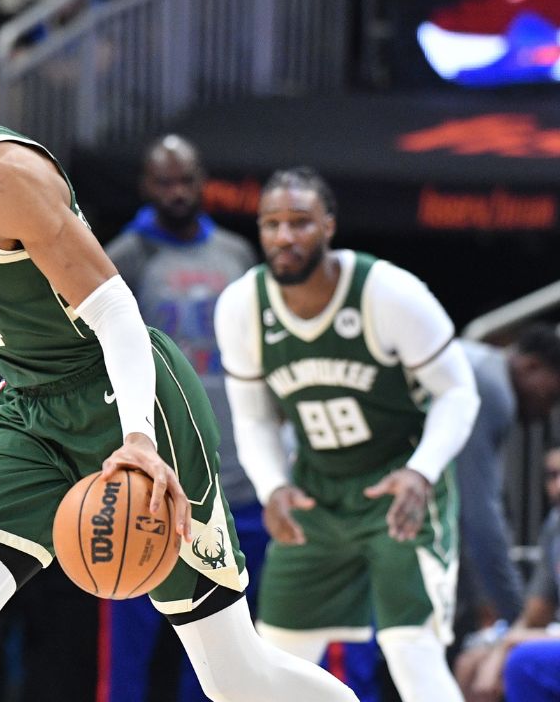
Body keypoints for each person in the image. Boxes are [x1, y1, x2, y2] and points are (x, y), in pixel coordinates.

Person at [0, 0, 357, 702]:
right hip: (31, 413)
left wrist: (137, 439)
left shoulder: (4, 176)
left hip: (130, 402)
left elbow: (120, 315)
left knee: (233, 676)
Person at [215, 167, 481, 702]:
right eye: (272, 224)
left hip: (396, 490)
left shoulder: (389, 293)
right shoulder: (242, 305)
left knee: (413, 653)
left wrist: (421, 472)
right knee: (275, 663)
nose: (284, 237)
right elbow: (254, 417)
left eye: (300, 223)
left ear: (329, 227)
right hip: (316, 490)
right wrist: (273, 488)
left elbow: (458, 393)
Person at [104, 133, 262, 701]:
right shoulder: (122, 256)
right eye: (163, 182)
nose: (175, 192)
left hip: (232, 472)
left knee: (221, 643)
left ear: (201, 182)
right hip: (153, 477)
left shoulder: (237, 255)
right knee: (131, 648)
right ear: (146, 186)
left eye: (185, 180)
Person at [457, 325, 560, 627]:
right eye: (552, 395)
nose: (546, 412)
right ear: (531, 365)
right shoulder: (492, 388)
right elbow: (480, 516)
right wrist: (519, 619)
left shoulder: (476, 359)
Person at [456, 446, 560, 702]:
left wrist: (510, 646)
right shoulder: (555, 528)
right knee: (470, 663)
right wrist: (500, 648)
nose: (558, 484)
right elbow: (535, 614)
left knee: (523, 661)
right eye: (552, 475)